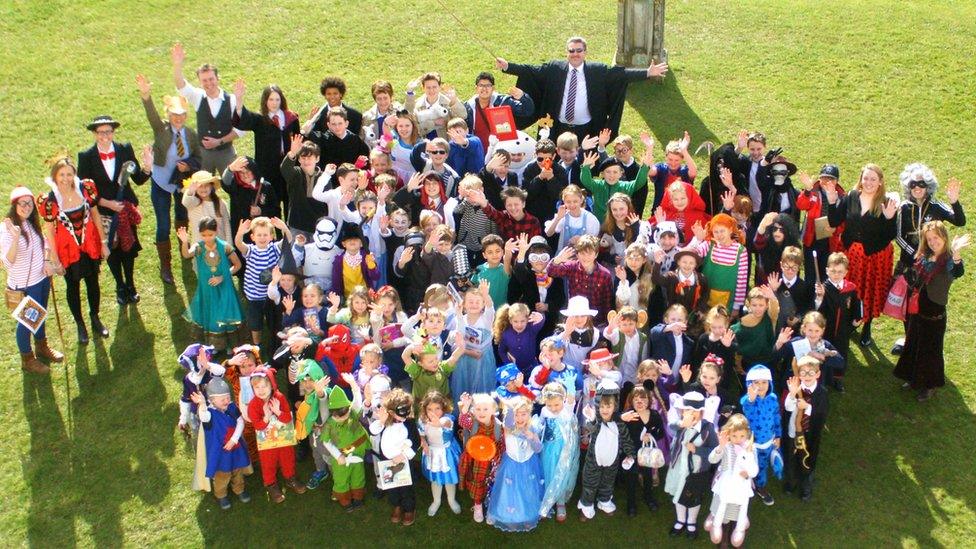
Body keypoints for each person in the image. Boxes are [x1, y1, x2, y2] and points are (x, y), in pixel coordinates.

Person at [497, 36, 668, 141]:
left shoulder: (596, 70)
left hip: (587, 128)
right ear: (567, 52)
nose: (575, 54)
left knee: (585, 166)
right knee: (552, 164)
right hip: (556, 126)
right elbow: (531, 71)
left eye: (579, 50)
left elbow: (620, 75)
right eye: (571, 50)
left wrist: (647, 72)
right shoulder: (555, 68)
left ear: (585, 52)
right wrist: (508, 66)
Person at [891, 164, 965, 355]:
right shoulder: (904, 208)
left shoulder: (936, 206)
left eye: (921, 184)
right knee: (907, 305)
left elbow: (960, 221)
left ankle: (922, 343)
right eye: (913, 184)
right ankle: (909, 339)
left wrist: (955, 201)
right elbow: (898, 236)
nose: (917, 188)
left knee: (925, 304)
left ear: (928, 186)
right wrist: (916, 253)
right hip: (908, 265)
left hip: (931, 267)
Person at [77, 115, 151, 305]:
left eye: (108, 131)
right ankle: (119, 285)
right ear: (94, 134)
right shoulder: (86, 157)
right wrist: (107, 203)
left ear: (113, 132)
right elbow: (84, 190)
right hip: (103, 212)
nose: (105, 136)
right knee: (111, 250)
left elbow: (139, 179)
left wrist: (148, 167)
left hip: (125, 211)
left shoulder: (124, 149)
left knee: (128, 248)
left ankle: (131, 284)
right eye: (101, 132)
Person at [893, 221, 969, 401]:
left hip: (934, 314)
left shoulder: (949, 259)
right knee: (913, 344)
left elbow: (957, 272)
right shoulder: (924, 256)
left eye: (936, 237)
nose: (933, 242)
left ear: (944, 237)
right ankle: (912, 378)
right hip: (917, 310)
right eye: (929, 239)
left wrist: (957, 254)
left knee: (930, 351)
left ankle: (929, 386)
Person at [136, 73, 201, 285]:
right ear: (169, 115)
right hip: (161, 183)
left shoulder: (191, 134)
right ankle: (165, 265)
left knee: (182, 217)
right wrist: (146, 96)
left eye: (181, 114)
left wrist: (188, 165)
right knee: (163, 223)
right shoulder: (161, 129)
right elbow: (152, 116)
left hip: (182, 185)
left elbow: (199, 158)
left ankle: (184, 249)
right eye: (174, 114)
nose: (178, 118)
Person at [39, 156, 111, 344]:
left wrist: (103, 242)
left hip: (89, 245)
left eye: (69, 174)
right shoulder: (50, 200)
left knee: (93, 282)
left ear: (74, 175)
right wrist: (55, 260)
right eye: (61, 174)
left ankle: (95, 317)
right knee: (73, 286)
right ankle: (80, 324)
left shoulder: (85, 189)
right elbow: (50, 233)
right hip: (67, 250)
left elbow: (95, 215)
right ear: (55, 176)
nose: (65, 178)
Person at [825, 163, 898, 346]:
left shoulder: (885, 203)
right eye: (866, 178)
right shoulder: (851, 196)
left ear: (880, 182)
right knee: (850, 289)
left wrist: (889, 219)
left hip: (873, 257)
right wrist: (832, 201)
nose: (868, 182)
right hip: (850, 254)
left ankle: (866, 326)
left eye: (873, 179)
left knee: (869, 289)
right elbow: (834, 221)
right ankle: (848, 321)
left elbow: (890, 236)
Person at [3, 187, 62, 373]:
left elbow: (44, 242)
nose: (27, 207)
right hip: (24, 286)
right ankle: (27, 359)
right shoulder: (6, 230)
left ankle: (41, 346)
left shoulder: (31, 223)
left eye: (30, 203)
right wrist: (15, 238)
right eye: (22, 203)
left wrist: (46, 261)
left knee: (40, 315)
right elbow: (6, 261)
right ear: (14, 205)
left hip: (41, 279)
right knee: (27, 323)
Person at [171, 43, 243, 172]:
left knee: (232, 184)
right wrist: (177, 65)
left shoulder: (232, 100)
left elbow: (240, 130)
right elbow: (180, 85)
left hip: (225, 152)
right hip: (203, 154)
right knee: (202, 186)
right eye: (204, 80)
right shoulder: (198, 96)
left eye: (211, 79)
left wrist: (219, 141)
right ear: (200, 81)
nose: (208, 83)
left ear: (217, 78)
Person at [232, 80, 299, 215]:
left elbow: (298, 139)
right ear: (265, 101)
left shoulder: (291, 118)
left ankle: (288, 231)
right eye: (271, 99)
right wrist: (239, 100)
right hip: (268, 169)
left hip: (287, 166)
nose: (274, 103)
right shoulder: (259, 120)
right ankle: (275, 232)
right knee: (271, 202)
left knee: (290, 201)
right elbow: (242, 120)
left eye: (277, 99)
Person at [177, 217, 243, 352]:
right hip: (207, 289)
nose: (207, 238)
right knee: (211, 312)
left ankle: (230, 344)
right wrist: (185, 242)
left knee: (225, 312)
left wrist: (222, 277)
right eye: (204, 235)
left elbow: (237, 265)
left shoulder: (225, 247)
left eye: (210, 235)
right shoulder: (199, 247)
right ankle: (215, 345)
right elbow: (186, 254)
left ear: (216, 232)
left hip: (224, 288)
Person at [190, 378, 252, 510]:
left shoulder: (231, 407)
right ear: (212, 400)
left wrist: (234, 439)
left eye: (228, 397)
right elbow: (204, 416)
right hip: (220, 453)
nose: (226, 401)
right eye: (222, 399)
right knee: (222, 475)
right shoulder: (210, 414)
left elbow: (240, 422)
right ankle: (221, 494)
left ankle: (239, 489)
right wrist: (201, 404)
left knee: (237, 471)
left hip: (235, 449)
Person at [578, 380, 636, 521]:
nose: (605, 410)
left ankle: (604, 501)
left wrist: (630, 455)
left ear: (614, 406)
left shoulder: (620, 423)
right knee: (590, 482)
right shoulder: (596, 420)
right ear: (598, 404)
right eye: (602, 406)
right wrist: (591, 419)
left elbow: (626, 439)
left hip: (612, 460)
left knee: (608, 482)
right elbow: (592, 428)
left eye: (608, 406)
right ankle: (587, 505)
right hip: (594, 459)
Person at [247, 366, 306, 503]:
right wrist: (266, 417)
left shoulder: (279, 397)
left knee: (288, 458)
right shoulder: (253, 405)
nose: (261, 391)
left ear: (272, 385)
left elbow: (287, 419)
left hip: (284, 440)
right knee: (268, 463)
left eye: (264, 387)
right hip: (267, 443)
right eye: (257, 388)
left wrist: (278, 411)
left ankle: (290, 478)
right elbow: (258, 426)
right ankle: (271, 484)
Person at [664, 391, 718, 539]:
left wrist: (697, 450)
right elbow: (671, 426)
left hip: (696, 471)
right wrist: (682, 423)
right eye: (686, 410)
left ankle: (691, 521)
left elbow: (715, 450)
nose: (689, 414)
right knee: (678, 494)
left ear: (701, 413)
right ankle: (681, 519)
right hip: (678, 468)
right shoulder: (680, 425)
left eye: (694, 411)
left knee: (694, 498)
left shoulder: (708, 429)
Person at [487, 396, 545, 531]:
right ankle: (509, 516)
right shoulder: (509, 427)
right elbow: (509, 419)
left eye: (523, 414)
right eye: (516, 415)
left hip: (529, 465)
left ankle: (527, 515)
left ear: (529, 414)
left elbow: (538, 449)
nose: (519, 418)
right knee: (510, 491)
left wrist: (532, 438)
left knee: (527, 490)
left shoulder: (533, 428)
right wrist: (508, 405)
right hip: (511, 465)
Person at [235, 216, 292, 346]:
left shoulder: (274, 249)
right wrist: (240, 232)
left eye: (265, 235)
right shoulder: (250, 250)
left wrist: (284, 228)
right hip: (254, 295)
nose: (262, 238)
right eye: (259, 235)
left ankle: (275, 337)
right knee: (255, 321)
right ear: (252, 237)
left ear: (271, 236)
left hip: (271, 295)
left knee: (273, 318)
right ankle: (257, 344)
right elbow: (238, 244)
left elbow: (288, 240)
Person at [705, 413, 758, 547]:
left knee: (735, 511)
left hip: (740, 489)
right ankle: (718, 527)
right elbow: (712, 459)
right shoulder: (726, 446)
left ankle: (738, 528)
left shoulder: (750, 448)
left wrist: (748, 474)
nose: (738, 439)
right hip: (724, 486)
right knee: (722, 510)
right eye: (734, 436)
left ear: (747, 434)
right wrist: (720, 447)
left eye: (742, 436)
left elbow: (753, 467)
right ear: (728, 434)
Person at [369, 389, 418, 526]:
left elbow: (415, 442)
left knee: (406, 486)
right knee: (391, 486)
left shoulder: (409, 423)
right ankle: (396, 505)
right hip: (387, 460)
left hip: (403, 461)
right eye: (402, 412)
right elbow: (373, 431)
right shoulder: (386, 421)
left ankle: (409, 508)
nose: (405, 415)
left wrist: (403, 455)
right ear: (390, 412)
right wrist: (381, 422)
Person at [782, 357, 828, 502]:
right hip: (793, 432)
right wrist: (791, 394)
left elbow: (822, 412)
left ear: (818, 374)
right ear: (799, 374)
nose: (807, 376)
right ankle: (791, 482)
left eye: (810, 373)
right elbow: (788, 407)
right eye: (803, 373)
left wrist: (807, 407)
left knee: (807, 459)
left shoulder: (822, 393)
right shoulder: (796, 388)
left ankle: (805, 486)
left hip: (810, 434)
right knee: (791, 457)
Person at [322, 372, 370, 511]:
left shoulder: (352, 413)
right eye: (339, 416)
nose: (344, 417)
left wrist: (353, 384)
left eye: (346, 413)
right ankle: (344, 499)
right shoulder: (330, 424)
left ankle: (358, 497)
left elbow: (357, 401)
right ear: (332, 413)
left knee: (358, 474)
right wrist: (338, 456)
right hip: (342, 455)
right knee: (341, 477)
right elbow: (326, 442)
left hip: (358, 450)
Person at [534, 382, 579, 522]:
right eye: (549, 405)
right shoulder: (544, 411)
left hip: (563, 451)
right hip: (548, 449)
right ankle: (546, 500)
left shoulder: (567, 410)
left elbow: (571, 401)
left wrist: (570, 390)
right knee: (548, 473)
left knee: (562, 474)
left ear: (563, 400)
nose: (553, 409)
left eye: (556, 405)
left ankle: (560, 502)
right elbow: (541, 426)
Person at [457, 392, 504, 523]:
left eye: (485, 409)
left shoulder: (499, 426)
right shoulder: (473, 423)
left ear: (494, 410)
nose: (481, 412)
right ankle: (478, 505)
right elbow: (463, 421)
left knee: (491, 484)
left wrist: (498, 459)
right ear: (473, 410)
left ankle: (491, 508)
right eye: (478, 409)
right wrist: (465, 407)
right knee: (477, 483)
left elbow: (502, 444)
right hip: (476, 461)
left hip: (492, 461)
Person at [739, 365, 781, 506]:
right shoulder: (747, 401)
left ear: (770, 383)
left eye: (764, 382)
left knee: (763, 466)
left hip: (769, 441)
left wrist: (778, 436)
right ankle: (746, 488)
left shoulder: (773, 399)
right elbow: (748, 412)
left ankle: (760, 487)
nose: (761, 386)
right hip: (752, 444)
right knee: (749, 466)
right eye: (756, 382)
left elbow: (776, 417)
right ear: (749, 384)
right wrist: (751, 399)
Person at [464, 71, 535, 147]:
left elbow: (527, 110)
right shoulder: (468, 106)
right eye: (481, 85)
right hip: (477, 151)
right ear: (476, 88)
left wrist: (523, 97)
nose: (484, 89)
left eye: (488, 85)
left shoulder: (503, 101)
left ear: (493, 88)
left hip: (500, 150)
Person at [409, 72, 467, 139]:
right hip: (425, 144)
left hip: (446, 144)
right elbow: (414, 129)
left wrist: (454, 102)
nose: (431, 90)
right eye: (428, 87)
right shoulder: (417, 105)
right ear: (423, 88)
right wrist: (433, 123)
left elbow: (463, 116)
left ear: (439, 87)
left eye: (434, 87)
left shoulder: (449, 101)